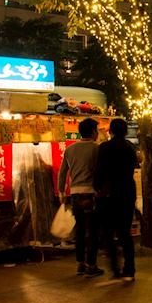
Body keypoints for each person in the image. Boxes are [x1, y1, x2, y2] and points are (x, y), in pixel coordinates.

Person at [58, 118, 103, 278]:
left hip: (75, 193)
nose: (98, 134)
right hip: (92, 194)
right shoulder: (97, 149)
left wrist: (62, 193)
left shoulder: (70, 149)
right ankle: (92, 265)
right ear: (92, 132)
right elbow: (101, 173)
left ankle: (80, 264)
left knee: (80, 229)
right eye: (97, 131)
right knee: (93, 231)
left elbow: (62, 173)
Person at [94, 118, 138, 280]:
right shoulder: (130, 148)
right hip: (127, 192)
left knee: (108, 232)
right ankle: (130, 270)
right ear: (125, 131)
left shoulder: (104, 148)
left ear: (110, 131)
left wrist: (97, 188)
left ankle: (115, 268)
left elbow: (99, 172)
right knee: (125, 233)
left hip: (109, 195)